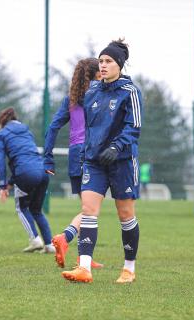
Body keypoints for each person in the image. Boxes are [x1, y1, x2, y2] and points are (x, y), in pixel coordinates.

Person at [61, 39, 143, 283]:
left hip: (123, 162)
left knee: (125, 215)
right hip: (95, 162)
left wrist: (117, 146)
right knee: (88, 210)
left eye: (108, 61)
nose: (103, 65)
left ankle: (129, 268)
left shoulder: (131, 92)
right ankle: (84, 268)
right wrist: (88, 152)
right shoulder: (92, 92)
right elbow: (89, 127)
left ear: (119, 64)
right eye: (101, 61)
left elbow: (134, 126)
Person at [44, 58, 103, 268]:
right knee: (91, 209)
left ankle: (82, 257)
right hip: (91, 152)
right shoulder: (100, 94)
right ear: (97, 74)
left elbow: (52, 127)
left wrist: (48, 158)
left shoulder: (71, 99)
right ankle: (65, 238)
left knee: (86, 206)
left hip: (74, 153)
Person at [0, 107, 55, 254]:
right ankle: (50, 245)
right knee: (36, 210)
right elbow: (26, 159)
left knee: (21, 208)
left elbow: (0, 161)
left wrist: (2, 185)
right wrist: (10, 183)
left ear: (2, 122)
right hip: (43, 172)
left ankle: (35, 240)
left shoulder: (1, 134)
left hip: (26, 173)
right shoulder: (27, 131)